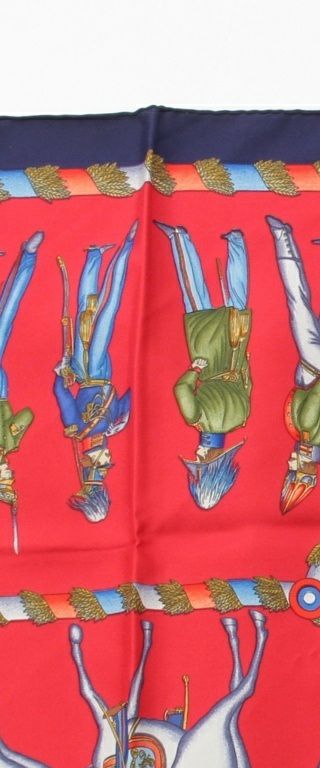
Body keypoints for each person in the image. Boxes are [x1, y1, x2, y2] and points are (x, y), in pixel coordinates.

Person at [155, 223, 252, 509]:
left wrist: (240, 358)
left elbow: (248, 382)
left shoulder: (241, 418)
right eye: (200, 462)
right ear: (212, 460)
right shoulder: (197, 419)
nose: (196, 456)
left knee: (237, 299)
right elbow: (181, 388)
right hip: (207, 356)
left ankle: (236, 241)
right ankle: (179, 237)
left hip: (236, 351)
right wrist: (195, 370)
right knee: (194, 292)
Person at [265, 216, 320, 513]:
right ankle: (283, 236)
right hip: (317, 364)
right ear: (305, 462)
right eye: (294, 466)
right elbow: (314, 396)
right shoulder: (306, 429)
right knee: (297, 302)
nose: (289, 461)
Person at [53, 223, 138, 521]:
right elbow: (133, 394)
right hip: (104, 371)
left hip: (84, 369)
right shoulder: (113, 426)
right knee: (91, 313)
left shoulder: (77, 428)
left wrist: (61, 371)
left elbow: (60, 392)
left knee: (101, 312)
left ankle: (121, 250)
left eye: (103, 464)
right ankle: (97, 255)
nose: (108, 459)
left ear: (91, 461)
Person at [0, 231, 43, 549]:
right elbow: (28, 413)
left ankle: (26, 257)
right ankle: (27, 257)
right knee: (6, 318)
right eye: (9, 475)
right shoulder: (10, 443)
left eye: (3, 477)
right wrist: (14, 432)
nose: (7, 472)